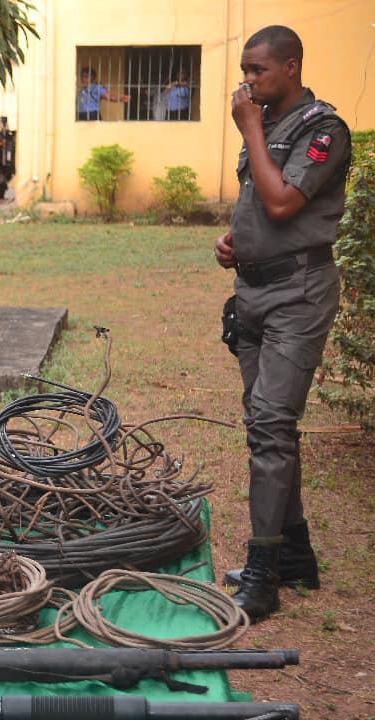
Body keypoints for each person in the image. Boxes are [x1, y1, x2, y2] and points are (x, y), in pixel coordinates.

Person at [212, 25, 351, 622]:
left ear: (291, 66)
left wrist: (247, 128)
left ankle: (265, 573)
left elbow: (284, 203)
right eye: (244, 70)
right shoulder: (265, 124)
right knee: (264, 425)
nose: (248, 81)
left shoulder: (324, 129)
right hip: (256, 290)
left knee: (271, 424)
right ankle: (295, 554)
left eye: (258, 70)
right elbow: (259, 208)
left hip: (300, 293)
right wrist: (235, 241)